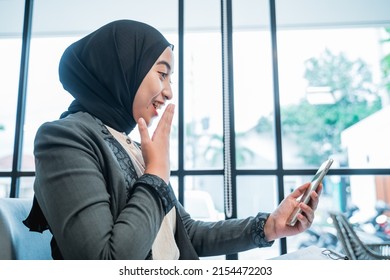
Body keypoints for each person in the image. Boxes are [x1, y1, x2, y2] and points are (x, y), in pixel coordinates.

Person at [23, 19, 322, 260]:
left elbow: (184, 234)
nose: (169, 93)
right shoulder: (65, 137)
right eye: (162, 74)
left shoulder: (135, 149)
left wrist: (269, 226)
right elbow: (106, 262)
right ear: (124, 69)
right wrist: (155, 175)